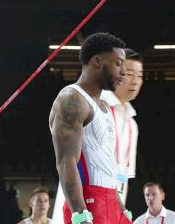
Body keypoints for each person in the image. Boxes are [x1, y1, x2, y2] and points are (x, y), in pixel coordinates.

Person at [48, 32, 133, 224]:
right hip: (89, 203)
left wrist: (120, 207)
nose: (123, 72)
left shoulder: (103, 106)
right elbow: (66, 162)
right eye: (118, 63)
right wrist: (80, 215)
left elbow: (105, 164)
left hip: (111, 201)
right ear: (97, 61)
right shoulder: (72, 99)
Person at [101, 48, 144, 204]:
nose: (135, 81)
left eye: (139, 76)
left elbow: (122, 178)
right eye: (129, 74)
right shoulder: (94, 108)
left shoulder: (131, 124)